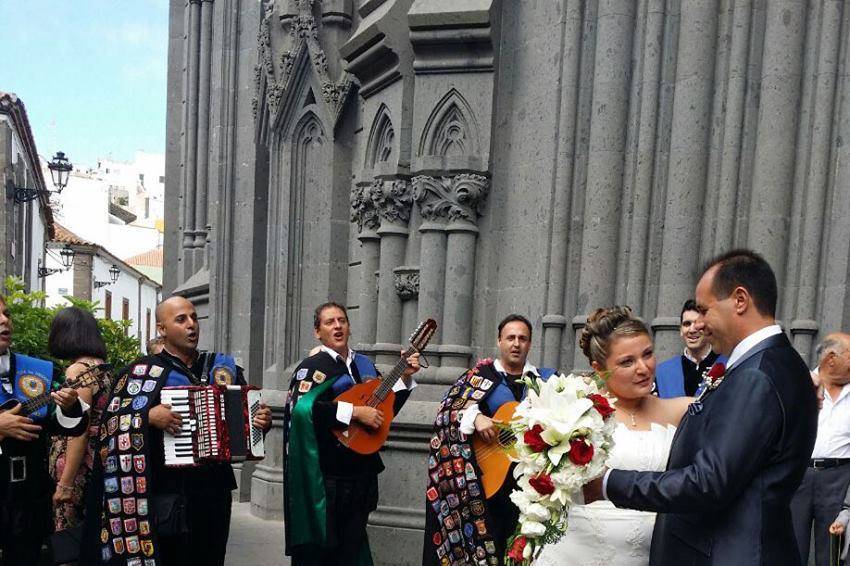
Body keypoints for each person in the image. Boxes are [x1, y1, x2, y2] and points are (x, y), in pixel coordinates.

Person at [583, 249, 818, 566]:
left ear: (739, 300)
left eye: (705, 310)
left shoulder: (756, 375)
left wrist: (608, 483)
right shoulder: (777, 363)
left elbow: (707, 483)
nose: (700, 325)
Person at [82, 295, 272, 566]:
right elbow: (109, 426)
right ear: (162, 329)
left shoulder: (221, 368)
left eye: (194, 317)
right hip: (166, 491)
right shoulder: (140, 372)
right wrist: (147, 416)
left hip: (213, 490)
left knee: (211, 557)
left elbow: (245, 421)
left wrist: (259, 421)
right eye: (181, 319)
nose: (191, 324)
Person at [535, 307, 690, 566]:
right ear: (599, 368)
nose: (643, 368)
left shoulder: (680, 409)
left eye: (648, 354)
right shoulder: (574, 414)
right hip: (577, 553)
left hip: (651, 554)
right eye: (627, 362)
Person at [283, 302, 420, 566]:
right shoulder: (311, 368)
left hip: (362, 476)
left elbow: (384, 410)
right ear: (317, 332)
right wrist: (354, 413)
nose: (337, 326)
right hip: (327, 480)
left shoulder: (365, 365)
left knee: (351, 549)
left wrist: (404, 378)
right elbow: (304, 412)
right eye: (329, 322)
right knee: (323, 552)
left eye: (342, 321)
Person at [423, 314, 559, 566]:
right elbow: (447, 411)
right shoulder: (478, 377)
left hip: (531, 487)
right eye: (510, 338)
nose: (516, 343)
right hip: (486, 487)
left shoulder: (545, 381)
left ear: (530, 344)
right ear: (499, 341)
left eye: (522, 338)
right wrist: (474, 417)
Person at [0, 296, 90, 566]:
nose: (5, 321)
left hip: (29, 497)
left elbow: (67, 425)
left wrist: (71, 405)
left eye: (6, 314)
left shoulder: (35, 370)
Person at [48, 307, 113, 539]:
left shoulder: (78, 371)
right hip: (101, 461)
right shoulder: (104, 369)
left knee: (69, 541)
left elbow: (79, 430)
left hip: (79, 469)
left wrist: (65, 483)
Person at [791, 333, 850, 566]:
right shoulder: (799, 385)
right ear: (831, 359)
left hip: (839, 477)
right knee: (791, 546)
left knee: (832, 554)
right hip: (799, 475)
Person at [654, 299, 725, 397]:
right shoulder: (663, 372)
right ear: (681, 330)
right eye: (687, 324)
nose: (692, 330)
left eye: (697, 323)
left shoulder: (727, 365)